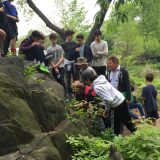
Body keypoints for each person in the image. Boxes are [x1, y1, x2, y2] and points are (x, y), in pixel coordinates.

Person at [81, 69, 137, 135]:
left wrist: (106, 110)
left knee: (120, 125)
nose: (85, 83)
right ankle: (135, 136)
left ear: (87, 79)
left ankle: (117, 140)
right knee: (124, 122)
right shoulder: (101, 79)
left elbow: (109, 99)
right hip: (121, 99)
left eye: (84, 80)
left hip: (116, 104)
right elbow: (95, 86)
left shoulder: (97, 87)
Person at [61, 29, 76, 96]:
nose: (72, 37)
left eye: (72, 35)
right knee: (68, 77)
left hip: (74, 62)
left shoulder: (74, 43)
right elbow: (62, 55)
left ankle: (75, 90)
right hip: (67, 63)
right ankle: (68, 92)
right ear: (67, 36)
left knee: (75, 76)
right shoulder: (63, 45)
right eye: (70, 35)